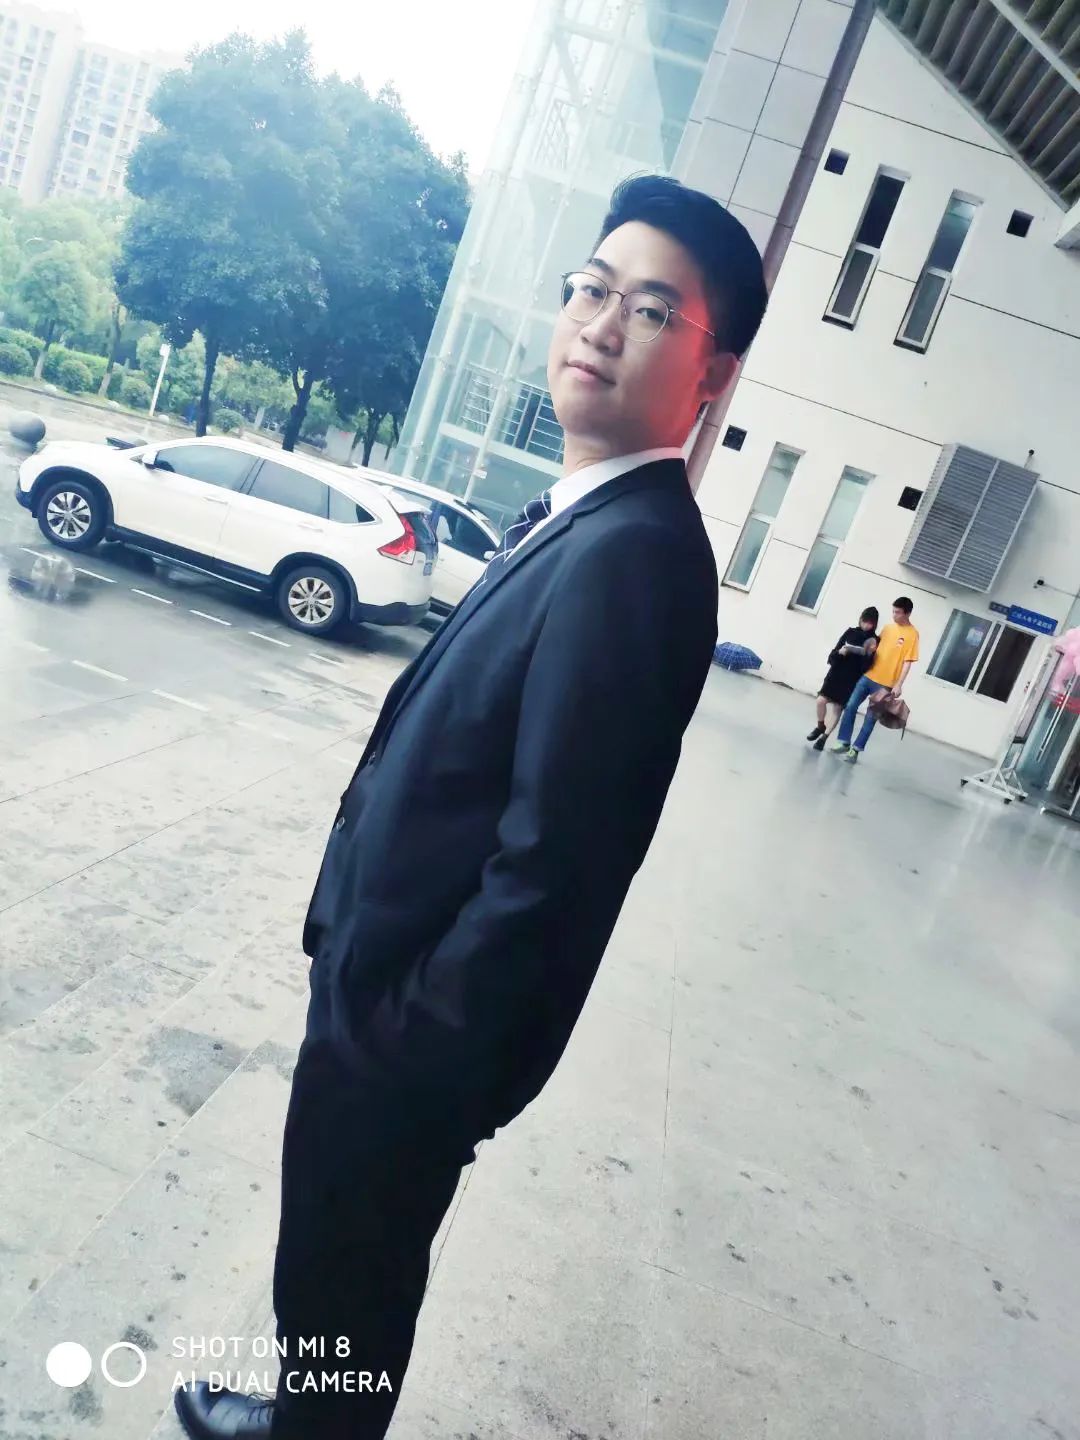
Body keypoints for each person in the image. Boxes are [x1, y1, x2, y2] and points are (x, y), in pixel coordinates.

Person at [173, 175, 769, 1440]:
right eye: (593, 289)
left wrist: (411, 1039)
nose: (601, 323)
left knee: (349, 1282)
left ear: (711, 374)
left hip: (408, 1038)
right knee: (330, 1270)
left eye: (652, 311)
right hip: (380, 992)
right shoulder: (588, 520)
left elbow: (557, 864)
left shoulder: (639, 557)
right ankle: (301, 1415)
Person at [833, 596, 920, 762]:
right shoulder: (887, 628)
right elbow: (874, 648)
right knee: (850, 706)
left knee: (870, 718)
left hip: (885, 685)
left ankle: (855, 750)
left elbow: (907, 662)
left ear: (907, 613)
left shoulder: (913, 635)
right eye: (893, 611)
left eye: (898, 612)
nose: (894, 615)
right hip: (868, 676)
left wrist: (899, 684)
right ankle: (843, 741)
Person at [806, 607, 879, 752]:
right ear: (860, 619)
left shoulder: (874, 640)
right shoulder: (850, 632)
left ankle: (824, 737)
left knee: (837, 708)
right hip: (836, 673)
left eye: (870, 623)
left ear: (874, 624)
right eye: (864, 621)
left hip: (851, 678)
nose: (866, 625)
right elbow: (835, 651)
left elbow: (867, 666)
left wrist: (867, 654)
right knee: (820, 701)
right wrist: (840, 652)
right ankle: (820, 726)